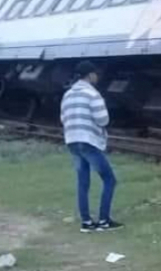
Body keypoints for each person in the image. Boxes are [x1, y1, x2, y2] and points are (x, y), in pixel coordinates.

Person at [61, 60, 122, 232]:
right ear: (90, 75)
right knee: (109, 179)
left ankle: (86, 222)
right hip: (88, 141)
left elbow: (63, 118)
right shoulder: (92, 94)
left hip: (72, 140)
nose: (97, 76)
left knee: (83, 182)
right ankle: (104, 221)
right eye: (95, 73)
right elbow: (103, 120)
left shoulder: (68, 94)